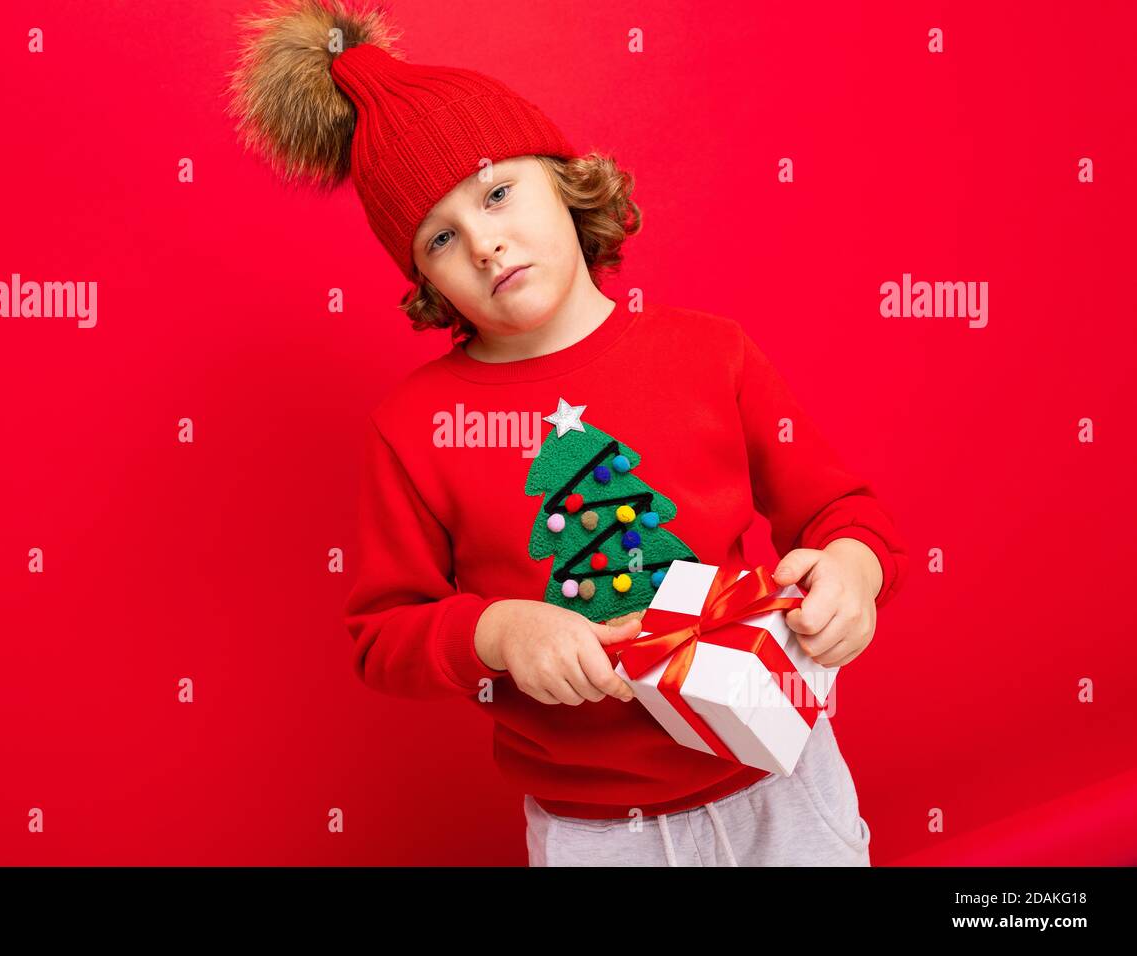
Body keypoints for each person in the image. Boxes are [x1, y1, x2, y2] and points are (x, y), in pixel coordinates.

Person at [228, 0, 908, 866]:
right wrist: (494, 633)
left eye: (498, 192)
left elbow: (844, 510)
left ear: (562, 176)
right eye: (441, 237)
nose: (485, 244)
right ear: (423, 275)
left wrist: (856, 566)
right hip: (594, 828)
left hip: (783, 776)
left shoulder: (712, 353)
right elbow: (382, 634)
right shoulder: (412, 429)